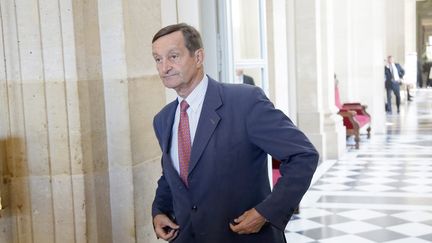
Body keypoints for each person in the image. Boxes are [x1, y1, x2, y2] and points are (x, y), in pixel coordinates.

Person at [151, 23, 319, 243]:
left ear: (198, 57)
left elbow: (303, 156)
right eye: (158, 59)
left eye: (173, 56)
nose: (164, 67)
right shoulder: (163, 119)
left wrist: (266, 212)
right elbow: (172, 175)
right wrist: (159, 210)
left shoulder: (245, 102)